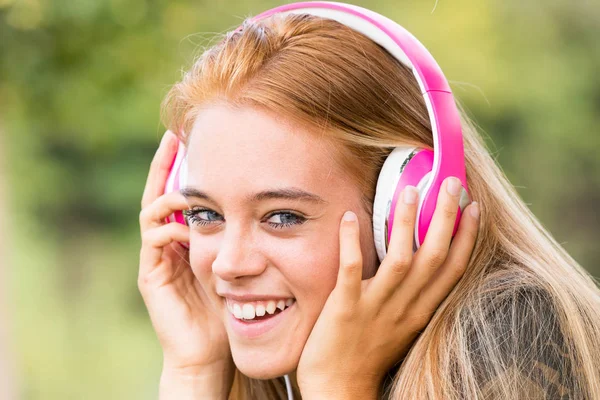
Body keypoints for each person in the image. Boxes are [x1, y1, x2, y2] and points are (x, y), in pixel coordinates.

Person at [137, 4, 600, 400]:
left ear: (405, 208)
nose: (228, 265)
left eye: (282, 216)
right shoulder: (281, 359)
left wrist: (339, 387)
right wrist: (193, 372)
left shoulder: (517, 334)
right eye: (205, 214)